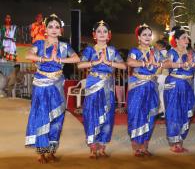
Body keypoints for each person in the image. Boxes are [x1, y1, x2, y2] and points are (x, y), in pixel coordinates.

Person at [25, 14, 80, 163]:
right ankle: (41, 152)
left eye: (57, 27)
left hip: (57, 85)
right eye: (50, 26)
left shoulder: (64, 46)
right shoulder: (40, 44)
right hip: (41, 84)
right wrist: (46, 59)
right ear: (45, 29)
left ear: (61, 30)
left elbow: (77, 58)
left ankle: (51, 151)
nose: (54, 29)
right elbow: (28, 55)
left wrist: (60, 59)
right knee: (42, 116)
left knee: (57, 118)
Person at [78, 20, 126, 159]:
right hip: (93, 84)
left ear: (109, 35)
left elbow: (123, 66)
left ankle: (102, 146)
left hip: (108, 86)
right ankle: (93, 147)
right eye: (99, 31)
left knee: (108, 115)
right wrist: (96, 62)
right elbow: (80, 65)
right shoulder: (89, 50)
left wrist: (109, 62)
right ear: (94, 34)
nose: (102, 34)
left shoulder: (112, 51)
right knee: (91, 114)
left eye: (105, 31)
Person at [127, 24, 163, 157]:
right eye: (144, 35)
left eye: (149, 34)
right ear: (139, 37)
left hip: (151, 86)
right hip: (138, 87)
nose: (147, 37)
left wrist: (158, 64)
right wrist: (145, 63)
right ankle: (137, 146)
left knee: (150, 115)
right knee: (137, 114)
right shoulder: (135, 51)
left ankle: (145, 146)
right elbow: (130, 62)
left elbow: (166, 63)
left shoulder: (155, 52)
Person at [163, 26, 195, 153]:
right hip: (174, 85)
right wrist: (180, 64)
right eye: (184, 38)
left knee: (187, 111)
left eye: (187, 38)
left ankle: (180, 139)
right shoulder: (172, 52)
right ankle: (174, 142)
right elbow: (166, 64)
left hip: (187, 86)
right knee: (174, 112)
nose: (187, 40)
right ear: (177, 40)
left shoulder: (191, 54)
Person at [154, 39, 168, 118]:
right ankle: (162, 111)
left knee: (161, 94)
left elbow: (159, 66)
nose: (155, 47)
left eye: (156, 46)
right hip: (167, 76)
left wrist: (155, 74)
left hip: (161, 75)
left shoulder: (159, 54)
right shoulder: (168, 53)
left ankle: (162, 111)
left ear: (159, 46)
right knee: (164, 94)